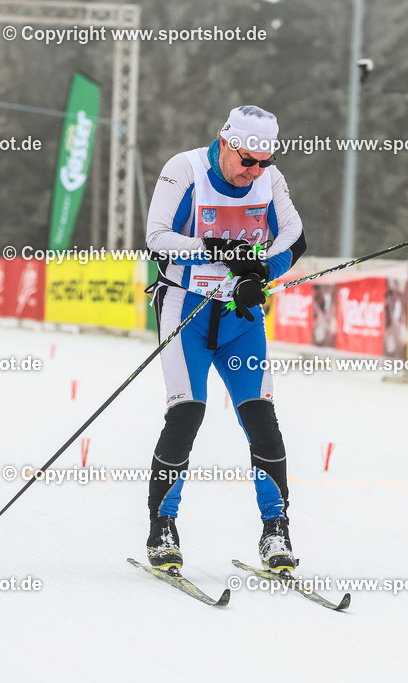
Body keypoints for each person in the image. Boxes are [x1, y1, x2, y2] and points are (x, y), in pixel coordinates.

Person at [144, 105, 306, 573]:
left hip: (240, 316)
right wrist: (213, 248)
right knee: (187, 415)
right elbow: (156, 238)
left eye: (264, 162)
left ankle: (276, 531)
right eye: (247, 160)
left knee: (261, 419)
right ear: (225, 143)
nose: (254, 170)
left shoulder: (268, 180)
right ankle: (162, 526)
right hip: (186, 310)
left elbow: (294, 235)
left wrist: (262, 270)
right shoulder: (185, 169)